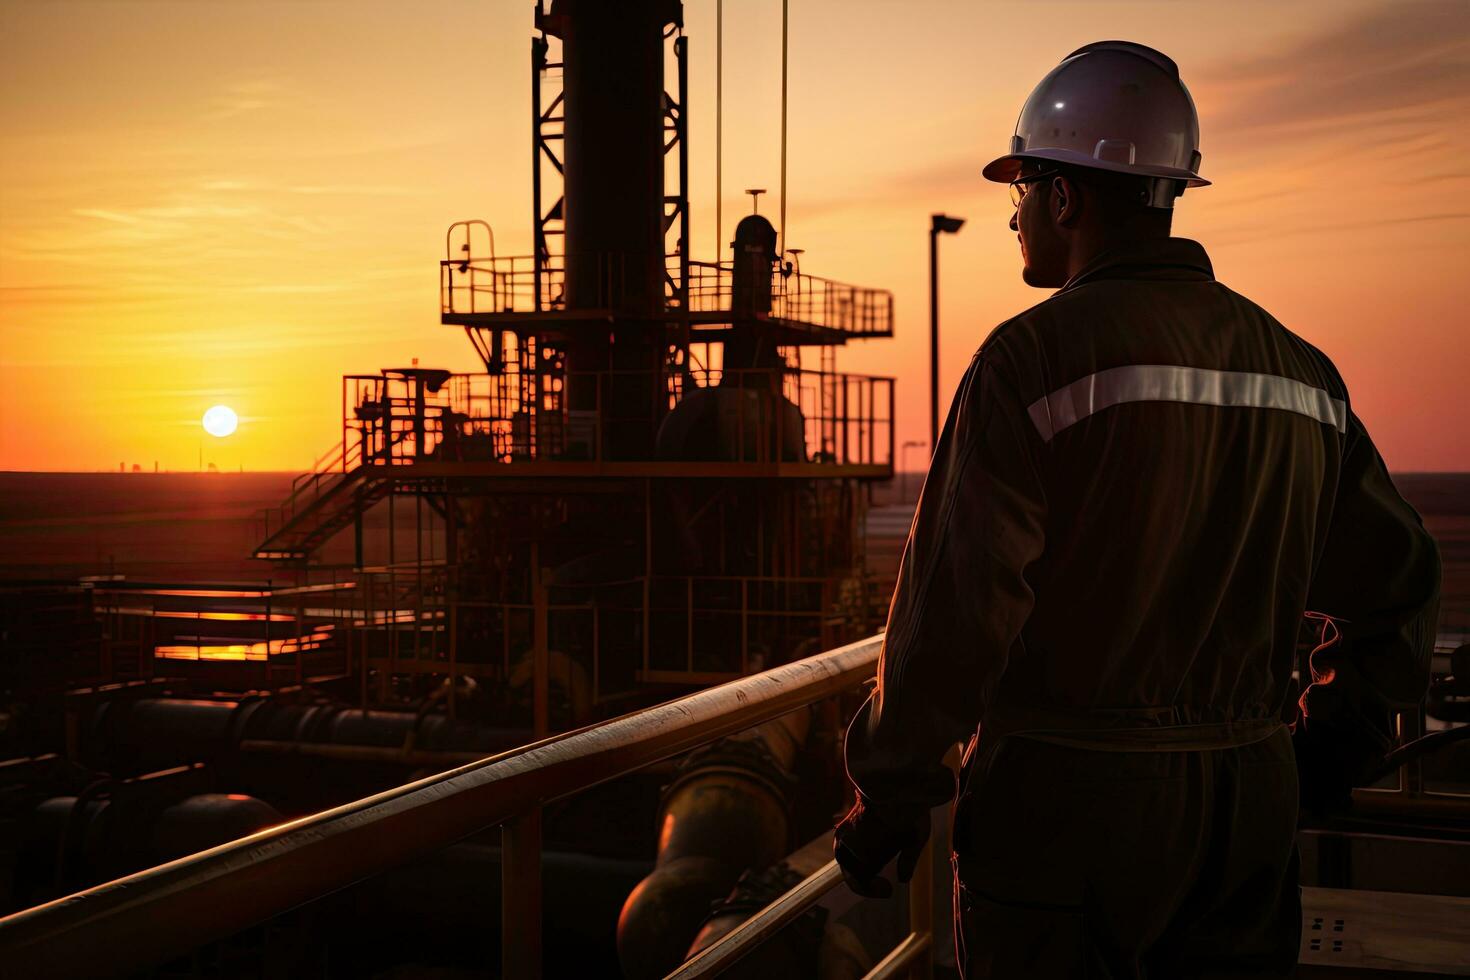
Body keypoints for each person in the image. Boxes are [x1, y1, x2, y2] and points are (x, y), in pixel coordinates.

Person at [833, 40, 1440, 978]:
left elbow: (955, 615)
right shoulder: (1301, 372)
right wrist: (1330, 746)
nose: (1015, 215)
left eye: (1022, 189)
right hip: (1246, 806)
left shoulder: (1029, 362)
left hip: (1067, 813)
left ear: (1067, 197)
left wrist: (892, 795)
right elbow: (1399, 586)